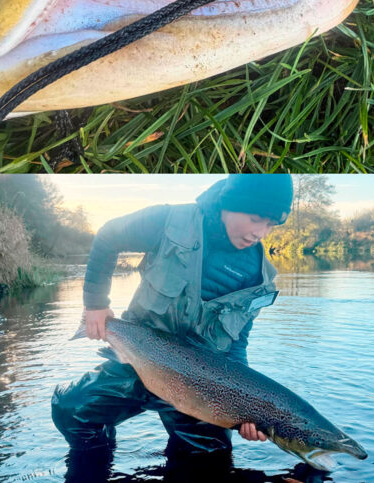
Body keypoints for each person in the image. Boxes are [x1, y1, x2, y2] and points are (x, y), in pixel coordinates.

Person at [52, 174, 293, 458]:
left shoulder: (257, 278)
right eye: (255, 219)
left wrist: (245, 409)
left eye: (270, 225)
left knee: (210, 459)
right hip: (139, 359)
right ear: (230, 203)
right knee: (70, 411)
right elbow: (108, 236)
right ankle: (100, 456)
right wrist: (95, 304)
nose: (260, 232)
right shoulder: (169, 221)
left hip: (200, 388)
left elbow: (236, 346)